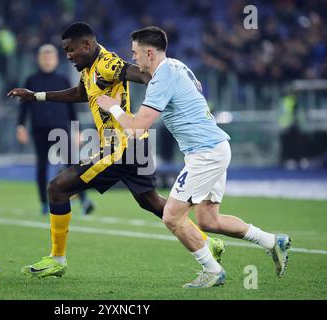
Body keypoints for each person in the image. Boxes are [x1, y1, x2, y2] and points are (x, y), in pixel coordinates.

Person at [7, 22, 225, 279]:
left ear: (87, 45)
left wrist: (161, 96)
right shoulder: (88, 67)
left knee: (57, 187)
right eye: (65, 51)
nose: (68, 56)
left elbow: (144, 75)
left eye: (71, 50)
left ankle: (57, 259)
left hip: (120, 146)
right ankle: (206, 241)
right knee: (151, 201)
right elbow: (80, 93)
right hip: (138, 143)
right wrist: (36, 96)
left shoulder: (107, 64)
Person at [97, 26, 292, 288]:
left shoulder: (162, 78)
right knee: (208, 220)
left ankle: (212, 271)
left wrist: (115, 108)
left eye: (135, 53)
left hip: (206, 153)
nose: (133, 59)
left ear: (150, 53)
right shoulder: (177, 66)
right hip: (213, 146)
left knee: (171, 216)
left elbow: (137, 128)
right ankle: (271, 241)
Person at [16, 44, 94, 215]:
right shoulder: (31, 80)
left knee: (72, 165)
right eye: (44, 56)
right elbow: (24, 107)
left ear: (56, 59)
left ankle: (84, 200)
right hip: (40, 129)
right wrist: (21, 126)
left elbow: (72, 106)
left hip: (61, 128)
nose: (47, 60)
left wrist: (77, 129)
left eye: (50, 56)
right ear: (39, 59)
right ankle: (44, 203)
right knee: (42, 166)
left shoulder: (63, 80)